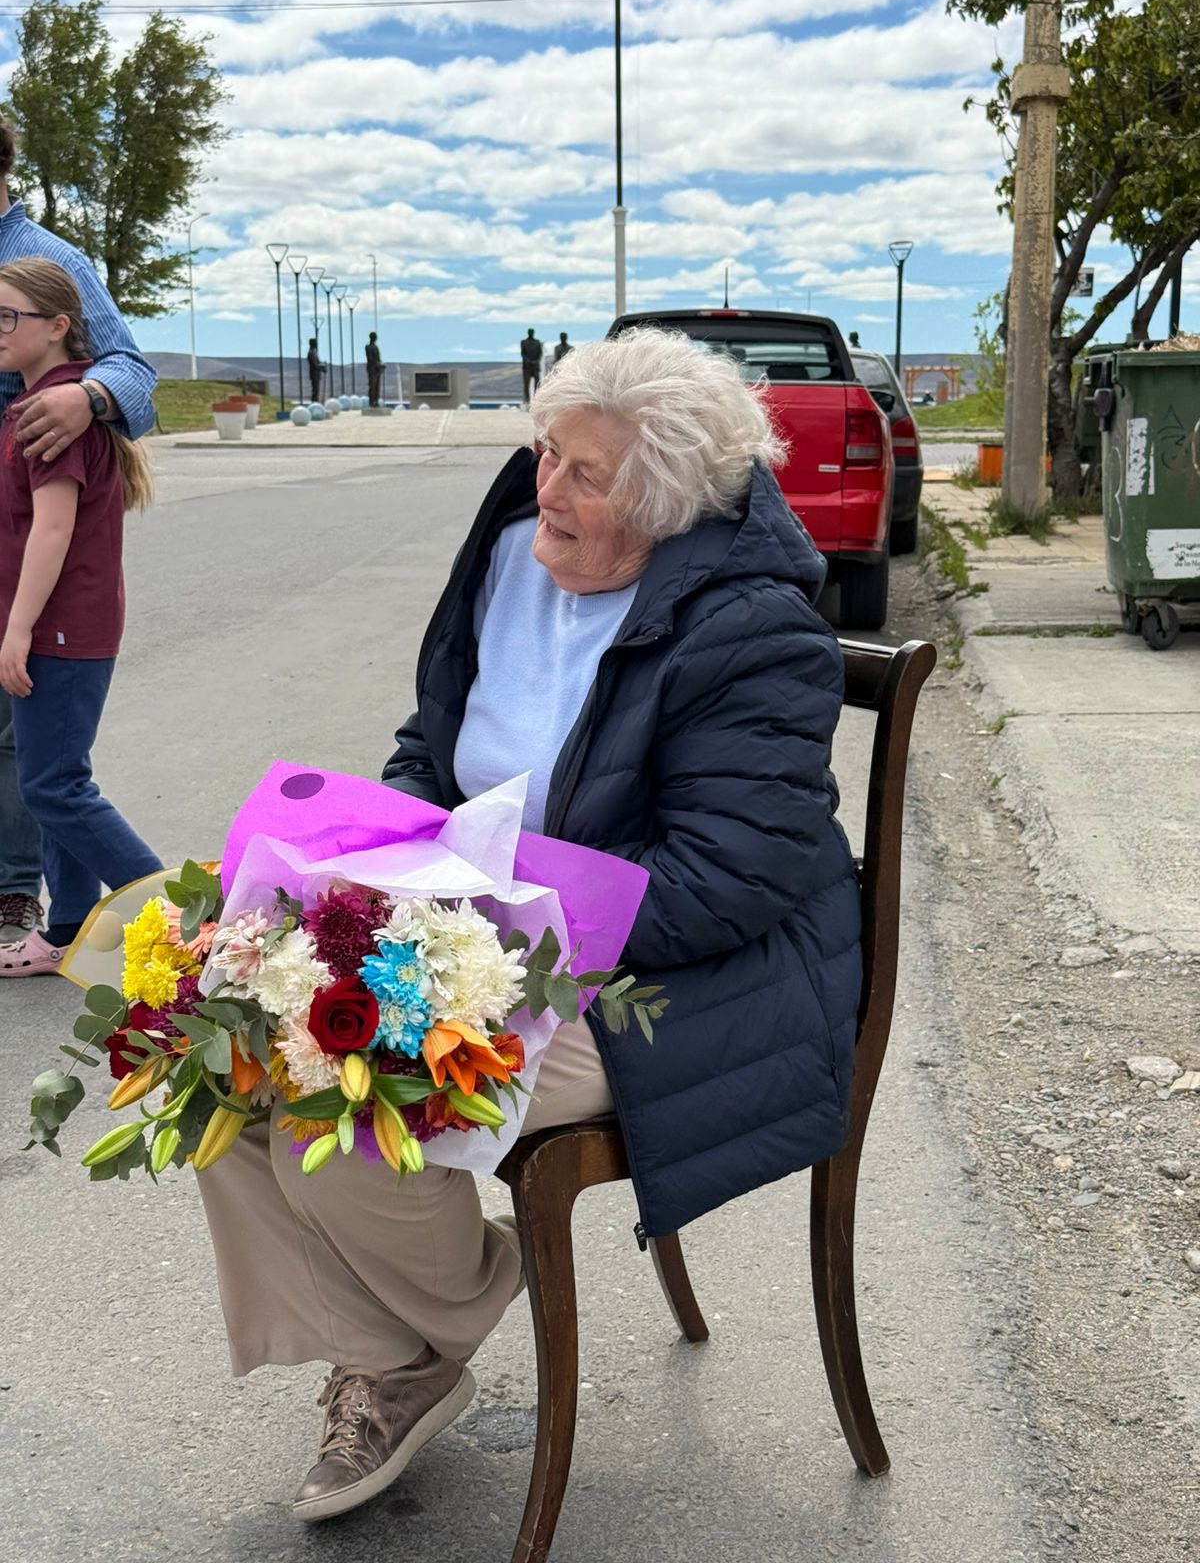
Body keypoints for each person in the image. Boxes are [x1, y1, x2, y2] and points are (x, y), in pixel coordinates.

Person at [195, 325, 862, 1523]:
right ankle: (400, 1348)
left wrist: (477, 933)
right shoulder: (513, 553)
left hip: (689, 980)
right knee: (229, 1044)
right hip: (494, 932)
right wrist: (373, 864)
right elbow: (433, 743)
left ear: (662, 507)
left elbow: (724, 881)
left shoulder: (754, 632)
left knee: (335, 1095)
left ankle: (428, 1323)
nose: (545, 486)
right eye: (545, 450)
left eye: (584, 473)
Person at [0, 119, 156, 957]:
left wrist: (85, 398)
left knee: (41, 762)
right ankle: (66, 924)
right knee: (45, 760)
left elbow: (129, 371)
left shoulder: (43, 259)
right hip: (18, 547)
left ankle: (175, 919)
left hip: (40, 564)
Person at [519, 326, 543, 406]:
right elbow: (523, 354)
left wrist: (535, 361)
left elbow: (540, 353)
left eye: (532, 332)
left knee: (537, 384)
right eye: (530, 332)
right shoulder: (523, 342)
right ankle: (527, 401)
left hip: (535, 366)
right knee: (526, 385)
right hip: (527, 366)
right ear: (528, 333)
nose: (531, 333)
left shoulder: (537, 342)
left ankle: (537, 400)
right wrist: (529, 361)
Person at [365, 331, 384, 408]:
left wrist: (381, 364)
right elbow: (370, 358)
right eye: (375, 337)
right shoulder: (368, 346)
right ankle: (371, 402)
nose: (376, 338)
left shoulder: (376, 347)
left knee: (377, 386)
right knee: (372, 386)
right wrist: (377, 364)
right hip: (372, 369)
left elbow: (378, 358)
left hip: (377, 369)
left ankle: (376, 401)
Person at [306, 337, 325, 404]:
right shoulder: (311, 353)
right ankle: (314, 404)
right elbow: (315, 365)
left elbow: (318, 363)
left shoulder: (314, 352)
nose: (317, 344)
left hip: (316, 374)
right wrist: (322, 367)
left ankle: (316, 403)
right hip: (314, 374)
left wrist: (322, 365)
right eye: (315, 343)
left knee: (316, 391)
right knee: (315, 391)